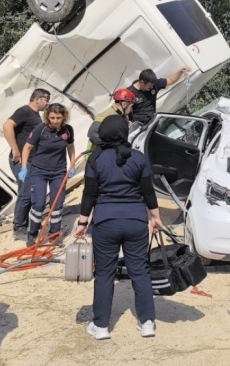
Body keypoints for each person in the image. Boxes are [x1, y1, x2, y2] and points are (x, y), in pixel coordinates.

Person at [73, 115, 167, 340]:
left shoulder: (95, 160)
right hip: (135, 221)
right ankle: (147, 323)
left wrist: (83, 221)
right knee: (140, 272)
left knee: (104, 274)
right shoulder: (139, 157)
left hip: (106, 222)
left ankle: (102, 326)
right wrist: (155, 217)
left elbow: (89, 194)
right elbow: (148, 191)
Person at [18, 102, 76, 246]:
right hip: (39, 171)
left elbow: (70, 146)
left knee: (57, 205)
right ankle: (32, 233)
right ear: (47, 117)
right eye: (52, 118)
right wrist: (24, 168)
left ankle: (54, 235)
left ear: (64, 117)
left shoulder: (68, 130)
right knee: (38, 204)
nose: (55, 121)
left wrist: (72, 164)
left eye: (58, 118)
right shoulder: (41, 129)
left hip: (59, 172)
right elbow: (27, 148)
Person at [3, 88, 49, 240]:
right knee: (26, 192)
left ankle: (28, 223)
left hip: (30, 161)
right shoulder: (25, 111)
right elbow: (7, 125)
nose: (47, 103)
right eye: (46, 99)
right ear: (38, 99)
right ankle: (19, 228)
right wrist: (15, 149)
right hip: (20, 161)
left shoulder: (35, 115)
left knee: (32, 193)